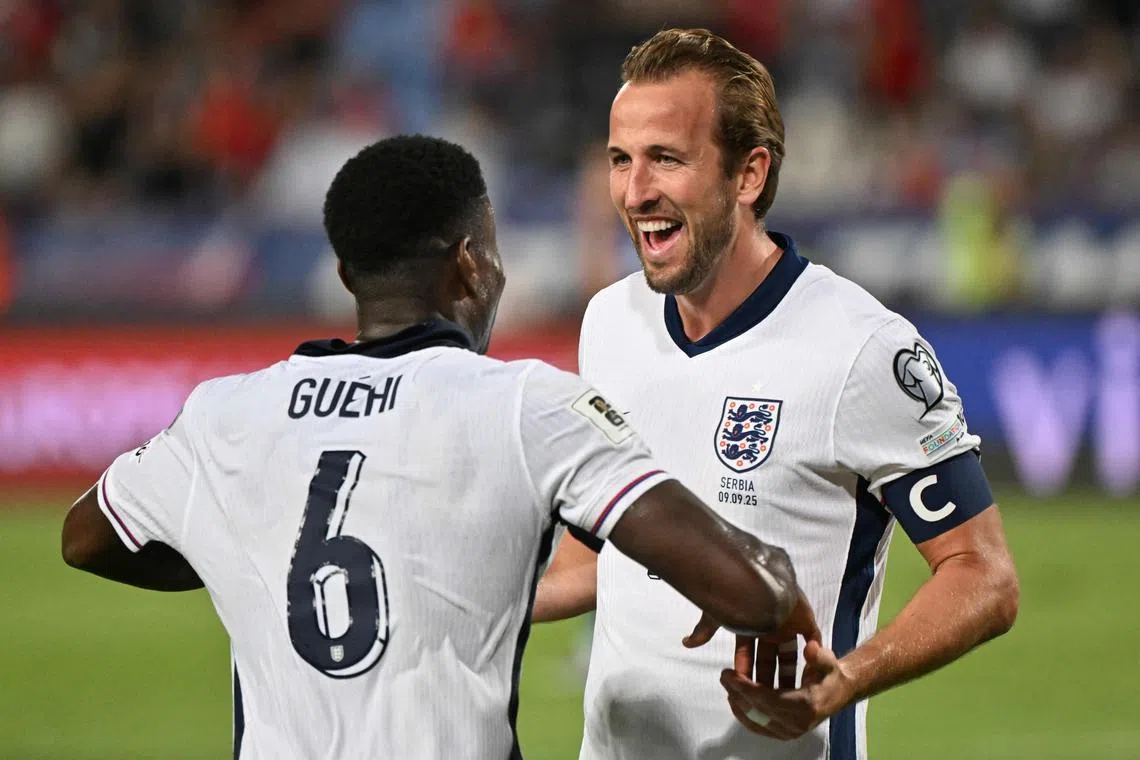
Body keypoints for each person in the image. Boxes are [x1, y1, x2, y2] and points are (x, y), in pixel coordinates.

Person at [59, 135, 818, 759]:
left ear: (346, 272)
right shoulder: (527, 404)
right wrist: (778, 587)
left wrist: (250, 563)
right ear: (467, 261)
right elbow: (751, 590)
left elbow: (85, 537)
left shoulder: (225, 411)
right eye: (492, 248)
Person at [533, 29, 1020, 760]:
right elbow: (594, 553)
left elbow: (984, 574)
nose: (635, 193)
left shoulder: (860, 350)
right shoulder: (610, 322)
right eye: (621, 160)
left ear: (749, 175)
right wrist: (472, 597)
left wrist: (845, 680)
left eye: (666, 157)